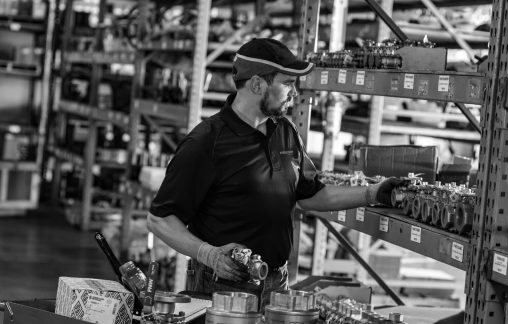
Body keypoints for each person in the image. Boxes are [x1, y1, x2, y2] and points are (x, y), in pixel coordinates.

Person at [147, 38, 404, 310]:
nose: (295, 93)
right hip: (223, 286)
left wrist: (373, 193)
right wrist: (208, 255)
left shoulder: (285, 131)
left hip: (277, 283)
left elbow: (311, 196)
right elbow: (159, 219)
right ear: (257, 85)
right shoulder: (206, 142)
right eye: (288, 83)